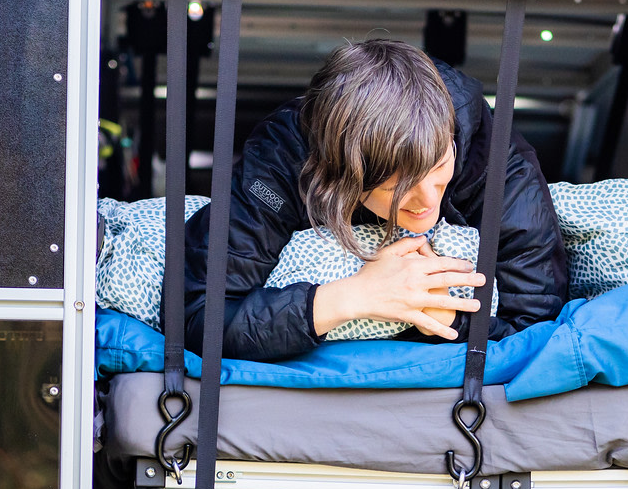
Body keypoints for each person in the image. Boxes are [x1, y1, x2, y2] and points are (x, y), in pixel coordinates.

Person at [182, 38, 567, 361]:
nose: (426, 201)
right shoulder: (285, 156)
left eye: (439, 168)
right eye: (393, 188)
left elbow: (537, 333)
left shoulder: (496, 158)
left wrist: (445, 319)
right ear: (340, 174)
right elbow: (199, 317)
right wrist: (353, 296)